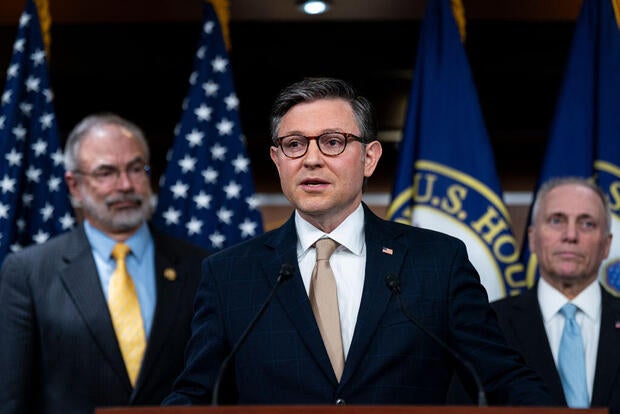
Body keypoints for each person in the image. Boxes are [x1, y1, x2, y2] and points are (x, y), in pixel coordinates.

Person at [163, 77, 552, 406]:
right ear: (277, 160)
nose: (311, 159)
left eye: (332, 142)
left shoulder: (437, 262)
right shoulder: (229, 273)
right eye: (294, 144)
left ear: (369, 158)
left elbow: (502, 381)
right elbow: (196, 394)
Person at [0, 113, 209, 414]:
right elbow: (11, 398)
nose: (125, 185)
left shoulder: (202, 266)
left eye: (136, 169)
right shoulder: (28, 272)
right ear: (74, 186)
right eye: (106, 173)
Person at [486, 177, 619, 412]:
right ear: (532, 239)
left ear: (607, 244)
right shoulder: (489, 324)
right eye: (556, 220)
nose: (570, 235)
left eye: (587, 223)